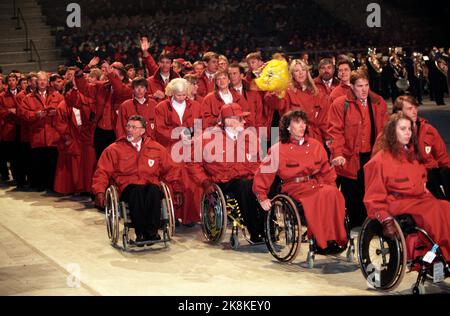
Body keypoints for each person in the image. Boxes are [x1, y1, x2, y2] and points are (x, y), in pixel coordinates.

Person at [253, 110, 347, 250]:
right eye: (297, 122)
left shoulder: (315, 145)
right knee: (322, 195)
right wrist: (262, 196)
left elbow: (325, 171)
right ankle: (321, 241)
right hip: (293, 188)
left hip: (314, 184)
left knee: (334, 193)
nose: (302, 126)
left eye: (304, 122)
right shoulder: (278, 149)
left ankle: (335, 238)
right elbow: (263, 173)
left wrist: (331, 186)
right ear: (288, 127)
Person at [364, 112, 450, 262]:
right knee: (433, 212)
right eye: (403, 129)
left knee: (446, 207)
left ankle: (441, 254)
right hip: (397, 203)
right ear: (392, 131)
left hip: (420, 200)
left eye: (410, 129)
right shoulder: (379, 160)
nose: (408, 133)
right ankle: (445, 255)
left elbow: (422, 185)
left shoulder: (413, 155)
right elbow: (373, 197)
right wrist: (385, 219)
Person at [92, 115, 183, 242]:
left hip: (149, 183)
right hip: (127, 187)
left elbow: (171, 170)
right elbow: (102, 171)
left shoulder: (156, 148)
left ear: (142, 131)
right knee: (137, 191)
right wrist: (99, 192)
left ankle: (152, 233)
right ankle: (140, 232)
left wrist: (177, 190)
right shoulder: (115, 149)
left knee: (154, 191)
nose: (129, 129)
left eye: (134, 127)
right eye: (128, 126)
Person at [187, 103, 265, 242]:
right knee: (244, 185)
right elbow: (193, 163)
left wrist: (259, 174)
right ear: (229, 121)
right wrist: (205, 182)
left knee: (268, 182)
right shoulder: (207, 139)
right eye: (240, 119)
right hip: (224, 181)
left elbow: (259, 160)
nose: (245, 121)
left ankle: (269, 225)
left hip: (249, 177)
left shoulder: (250, 137)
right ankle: (256, 230)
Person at [328, 70, 388, 228]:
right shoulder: (341, 104)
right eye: (360, 86)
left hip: (372, 154)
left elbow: (385, 130)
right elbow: (335, 132)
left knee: (370, 191)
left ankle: (369, 223)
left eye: (366, 85)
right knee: (351, 192)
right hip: (349, 156)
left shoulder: (377, 102)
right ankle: (352, 224)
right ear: (352, 87)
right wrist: (338, 153)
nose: (364, 89)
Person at [155, 78, 202, 226]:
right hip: (170, 147)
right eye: (178, 95)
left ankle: (191, 215)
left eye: (183, 95)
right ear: (171, 93)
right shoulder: (161, 107)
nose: (181, 97)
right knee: (173, 178)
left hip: (191, 147)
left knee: (192, 179)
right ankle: (172, 213)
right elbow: (159, 129)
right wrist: (177, 133)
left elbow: (199, 126)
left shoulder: (196, 106)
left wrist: (195, 137)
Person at [393, 95, 450, 200]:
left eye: (415, 108)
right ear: (399, 112)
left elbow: (443, 157)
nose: (414, 111)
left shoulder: (428, 130)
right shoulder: (390, 133)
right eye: (410, 109)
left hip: (429, 175)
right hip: (406, 177)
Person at [266, 59, 331, 144]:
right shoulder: (286, 91)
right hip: (292, 139)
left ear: (307, 72)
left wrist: (328, 137)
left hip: (314, 139)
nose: (301, 73)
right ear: (292, 74)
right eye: (297, 70)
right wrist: (275, 89)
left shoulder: (316, 92)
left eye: (303, 70)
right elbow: (277, 104)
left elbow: (324, 120)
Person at [18, 71, 64, 191]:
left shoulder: (57, 96)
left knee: (52, 163)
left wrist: (56, 113)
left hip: (53, 136)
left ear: (48, 82)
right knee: (38, 162)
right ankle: (39, 184)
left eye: (44, 79)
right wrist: (36, 115)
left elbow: (65, 111)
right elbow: (23, 114)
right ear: (36, 82)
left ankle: (52, 185)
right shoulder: (28, 98)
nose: (42, 82)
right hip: (37, 136)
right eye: (40, 80)